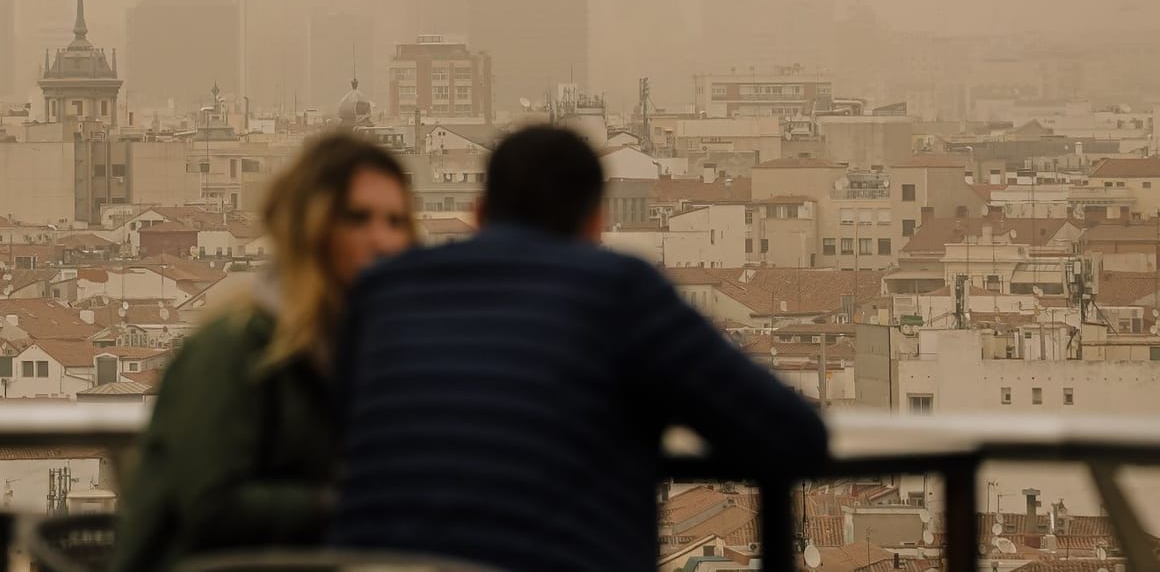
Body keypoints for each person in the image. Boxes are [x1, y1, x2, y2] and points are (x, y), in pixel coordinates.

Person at [330, 126, 829, 572]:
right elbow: (792, 432)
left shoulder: (383, 291)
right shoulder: (618, 291)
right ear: (596, 223)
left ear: (478, 213)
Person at [112, 133, 417, 572]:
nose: (383, 241)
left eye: (396, 222)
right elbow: (211, 506)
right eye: (357, 218)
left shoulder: (353, 351)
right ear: (311, 228)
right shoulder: (233, 347)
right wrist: (343, 503)